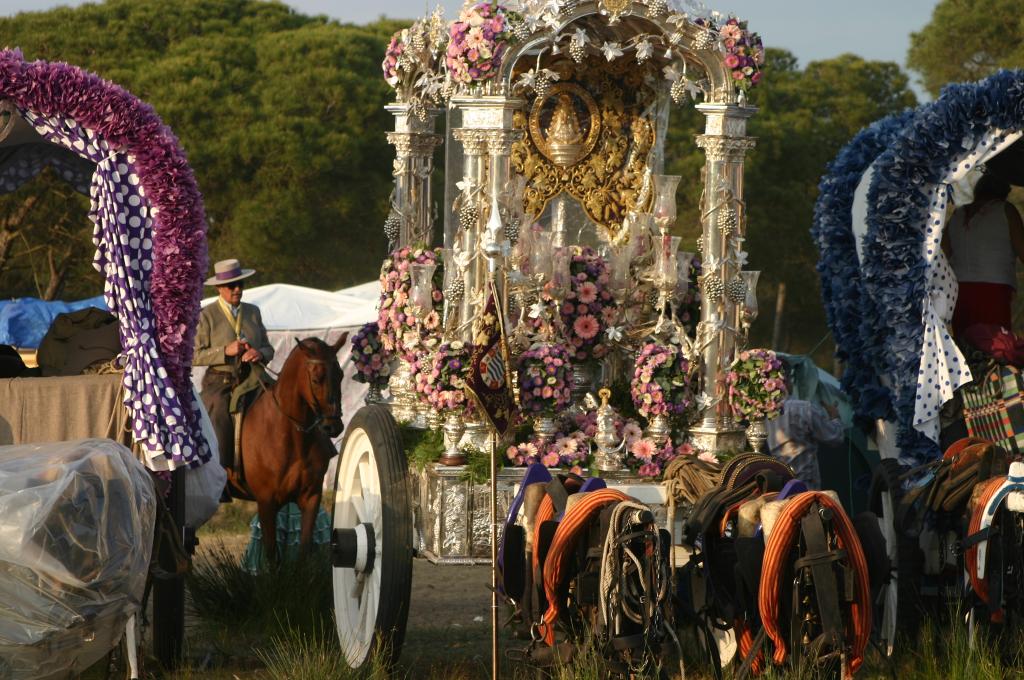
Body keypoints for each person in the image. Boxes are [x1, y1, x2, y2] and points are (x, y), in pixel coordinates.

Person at [194, 258, 274, 472]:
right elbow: (195, 355)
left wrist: (259, 353)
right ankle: (221, 471)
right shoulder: (206, 315)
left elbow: (269, 348)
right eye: (231, 285)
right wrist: (225, 352)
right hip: (220, 380)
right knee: (219, 411)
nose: (237, 289)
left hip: (254, 376)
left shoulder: (253, 312)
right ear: (220, 288)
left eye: (241, 284)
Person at [942, 172, 1024, 337]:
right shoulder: (1006, 210)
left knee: (965, 345)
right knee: (996, 348)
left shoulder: (958, 214)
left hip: (959, 291)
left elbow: (944, 252)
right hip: (994, 290)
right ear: (1003, 192)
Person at [765, 398, 844, 490]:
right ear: (787, 383)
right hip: (806, 486)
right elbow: (835, 436)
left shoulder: (760, 412)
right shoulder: (804, 408)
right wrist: (835, 417)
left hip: (779, 488)